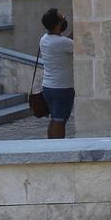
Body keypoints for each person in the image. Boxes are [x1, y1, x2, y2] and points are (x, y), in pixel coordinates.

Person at [38, 8, 75, 139]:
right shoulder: (61, 42)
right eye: (63, 17)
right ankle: (57, 146)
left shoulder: (45, 39)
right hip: (62, 88)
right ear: (58, 24)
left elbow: (66, 43)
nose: (65, 19)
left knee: (55, 118)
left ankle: (52, 144)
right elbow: (74, 45)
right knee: (59, 120)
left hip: (48, 87)